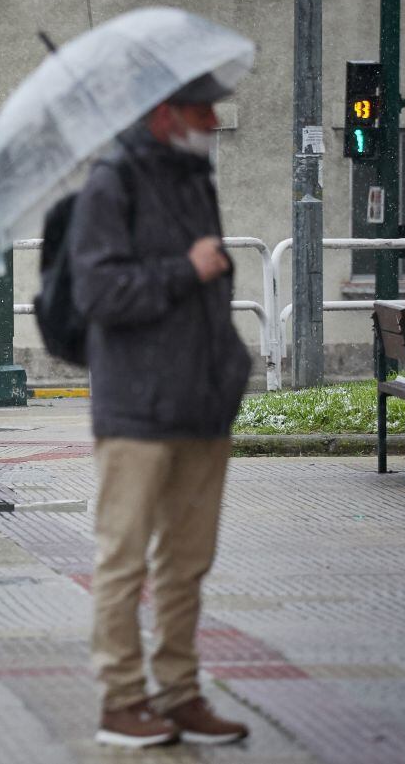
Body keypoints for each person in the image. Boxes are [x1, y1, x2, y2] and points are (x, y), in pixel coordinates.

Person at [70, 74, 252, 748]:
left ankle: (179, 693)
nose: (212, 117)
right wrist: (186, 269)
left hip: (201, 403)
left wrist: (229, 367)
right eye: (201, 106)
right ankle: (121, 700)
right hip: (138, 409)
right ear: (163, 114)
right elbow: (98, 292)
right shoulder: (109, 182)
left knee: (187, 562)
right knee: (124, 560)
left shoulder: (192, 179)